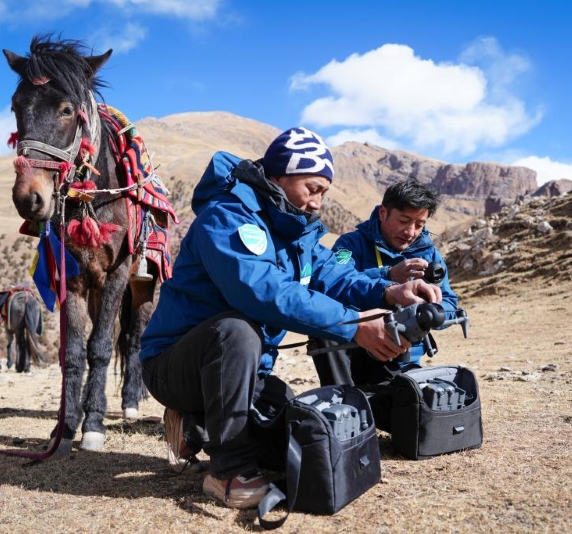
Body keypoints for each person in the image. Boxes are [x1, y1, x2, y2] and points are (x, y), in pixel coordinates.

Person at [139, 127, 441, 509]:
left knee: (293, 434)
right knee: (237, 331)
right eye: (312, 189)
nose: (317, 202)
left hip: (243, 375)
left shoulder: (296, 231)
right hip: (174, 365)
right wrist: (353, 325)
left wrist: (387, 292)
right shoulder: (227, 217)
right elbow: (262, 292)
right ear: (279, 176)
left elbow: (335, 275)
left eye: (323, 193)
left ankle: (195, 425)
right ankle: (228, 473)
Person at [311, 180, 462, 387]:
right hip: (353, 352)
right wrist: (388, 275)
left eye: (419, 225)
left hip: (403, 358)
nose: (410, 232)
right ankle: (343, 397)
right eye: (404, 221)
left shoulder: (429, 255)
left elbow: (450, 304)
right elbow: (332, 286)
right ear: (383, 213)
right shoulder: (350, 244)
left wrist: (428, 311)